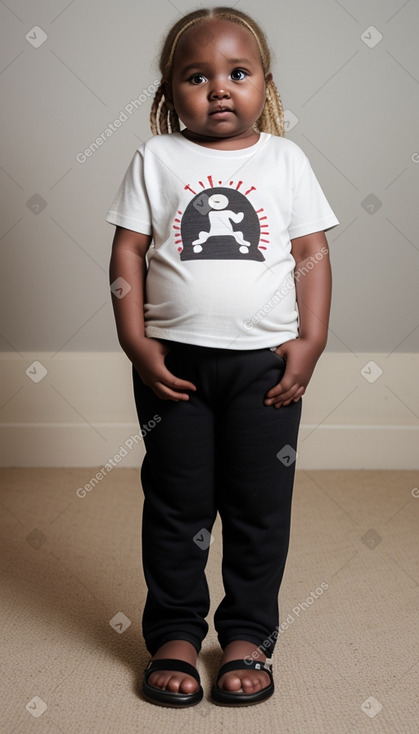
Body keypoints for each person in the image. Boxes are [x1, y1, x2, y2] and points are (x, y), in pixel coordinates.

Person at [105, 6, 339, 708]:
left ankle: (245, 635)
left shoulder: (285, 160)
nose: (217, 89)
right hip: (173, 368)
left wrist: (311, 340)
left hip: (263, 367)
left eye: (236, 73)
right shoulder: (157, 158)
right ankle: (175, 632)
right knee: (176, 502)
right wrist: (134, 340)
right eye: (195, 76)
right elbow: (127, 250)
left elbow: (310, 252)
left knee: (258, 504)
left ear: (264, 83)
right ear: (167, 91)